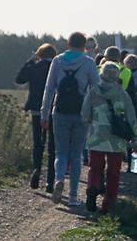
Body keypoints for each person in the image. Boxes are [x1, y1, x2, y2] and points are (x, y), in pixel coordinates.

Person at [41, 32, 99, 206]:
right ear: (84, 46)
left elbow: (49, 89)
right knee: (75, 154)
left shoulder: (57, 61)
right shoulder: (88, 63)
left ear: (68, 44)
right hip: (81, 113)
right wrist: (94, 114)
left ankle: (59, 179)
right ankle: (73, 196)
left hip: (59, 111)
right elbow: (96, 89)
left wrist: (44, 114)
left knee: (61, 152)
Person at [82, 62, 137, 214]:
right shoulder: (122, 93)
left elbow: (84, 115)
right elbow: (131, 118)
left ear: (101, 75)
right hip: (117, 138)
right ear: (117, 77)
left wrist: (92, 122)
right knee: (114, 173)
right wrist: (135, 139)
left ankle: (93, 187)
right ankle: (108, 204)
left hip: (96, 137)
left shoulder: (93, 91)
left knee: (95, 169)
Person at [15, 43, 57, 191]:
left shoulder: (34, 68)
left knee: (37, 143)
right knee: (53, 146)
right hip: (53, 110)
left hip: (36, 109)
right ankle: (51, 182)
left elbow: (19, 79)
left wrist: (30, 61)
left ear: (39, 54)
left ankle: (37, 169)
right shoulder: (56, 67)